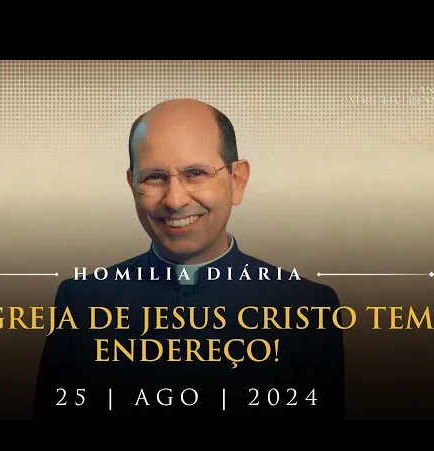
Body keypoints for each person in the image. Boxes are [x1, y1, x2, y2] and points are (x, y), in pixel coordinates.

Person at [33, 99, 345, 419]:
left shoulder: (309, 308)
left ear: (237, 181)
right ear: (132, 185)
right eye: (154, 177)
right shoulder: (80, 301)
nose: (175, 200)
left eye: (196, 173)